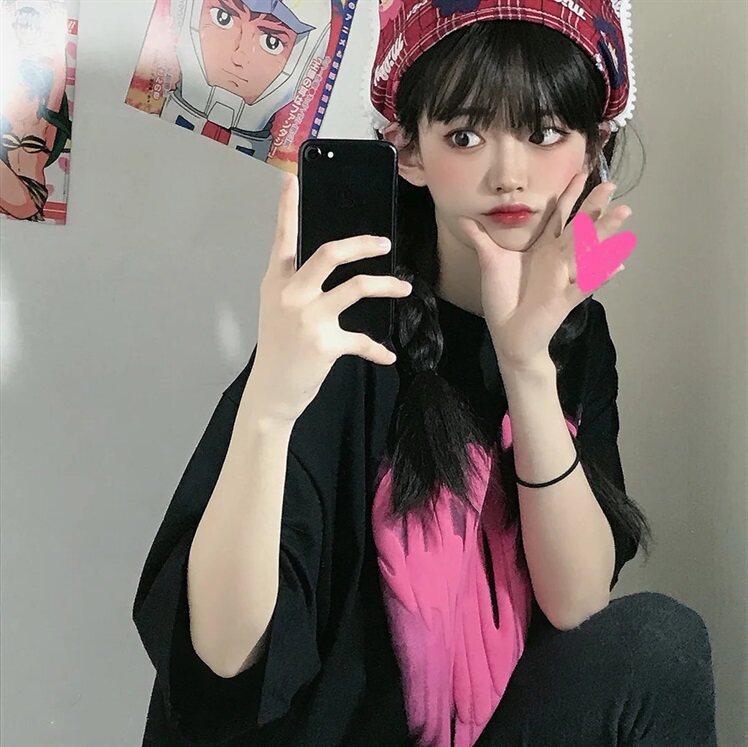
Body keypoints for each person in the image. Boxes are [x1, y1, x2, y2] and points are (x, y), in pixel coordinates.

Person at [133, 1, 718, 744]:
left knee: (660, 642)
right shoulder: (344, 325)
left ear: (592, 147)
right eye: (466, 135)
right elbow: (220, 660)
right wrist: (269, 405)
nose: (509, 175)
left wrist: (525, 360)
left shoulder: (578, 333)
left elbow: (575, 602)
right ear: (408, 152)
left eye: (544, 133)